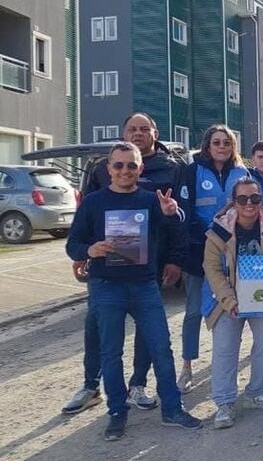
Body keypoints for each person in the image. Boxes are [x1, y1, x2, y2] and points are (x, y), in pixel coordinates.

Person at [67, 142, 202, 440]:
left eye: (131, 165)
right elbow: (72, 244)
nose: (125, 170)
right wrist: (90, 249)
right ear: (109, 169)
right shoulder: (93, 202)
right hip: (106, 286)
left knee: (161, 349)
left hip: (144, 285)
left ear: (140, 168)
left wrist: (172, 213)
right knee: (111, 353)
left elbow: (175, 232)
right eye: (119, 165)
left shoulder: (151, 199)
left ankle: (172, 409)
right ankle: (117, 412)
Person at [202, 178, 263, 428]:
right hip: (228, 297)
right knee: (225, 349)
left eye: (255, 198)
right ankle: (224, 403)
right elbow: (211, 268)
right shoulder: (219, 229)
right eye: (242, 199)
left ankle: (257, 393)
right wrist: (228, 300)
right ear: (234, 201)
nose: (249, 204)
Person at [175, 125, 250, 392]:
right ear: (207, 146)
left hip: (233, 253)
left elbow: (250, 208)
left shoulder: (242, 173)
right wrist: (207, 235)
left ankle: (231, 365)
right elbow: (184, 210)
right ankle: (187, 367)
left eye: (227, 143)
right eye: (217, 142)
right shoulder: (192, 171)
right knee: (194, 310)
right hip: (200, 251)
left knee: (235, 309)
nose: (222, 147)